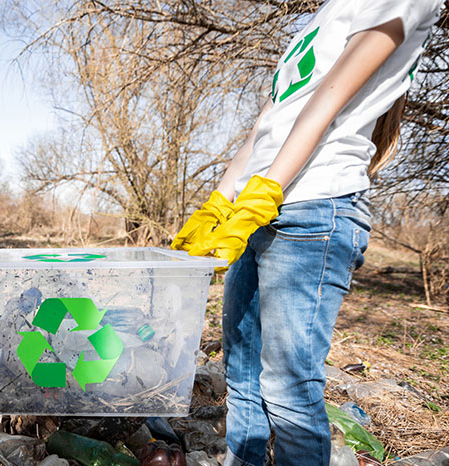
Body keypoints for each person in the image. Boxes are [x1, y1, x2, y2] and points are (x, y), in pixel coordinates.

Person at [172, 1, 444, 465]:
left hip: (314, 206)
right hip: (258, 205)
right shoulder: (322, 15)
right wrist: (221, 200)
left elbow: (328, 100)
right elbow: (268, 123)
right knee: (240, 373)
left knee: (287, 389)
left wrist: (268, 188)